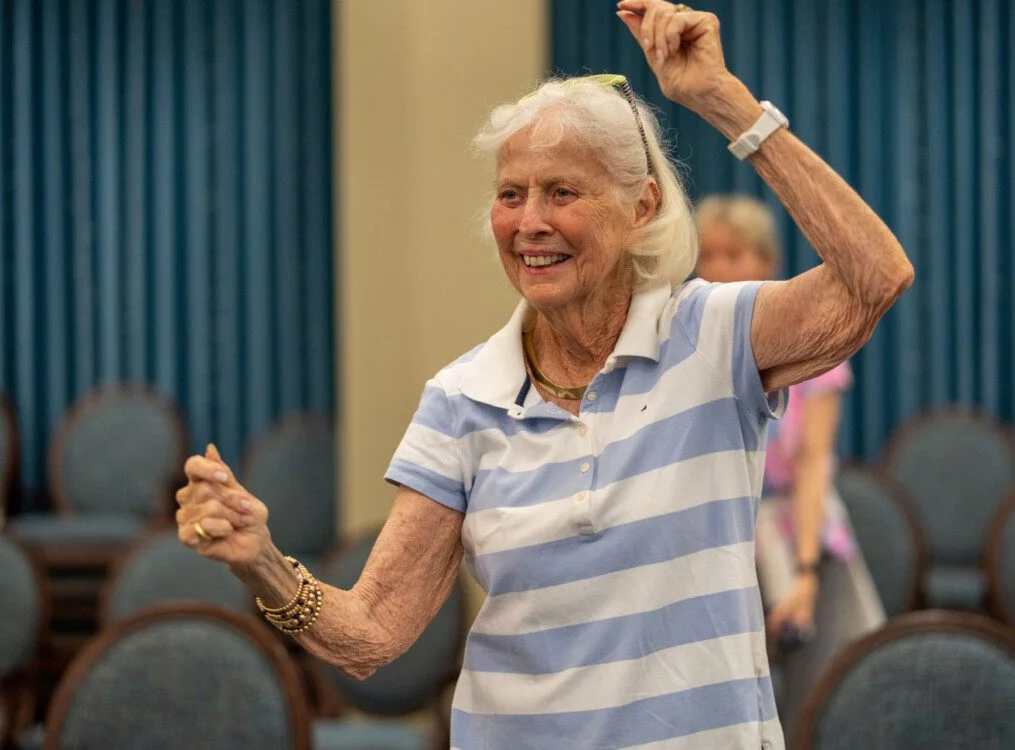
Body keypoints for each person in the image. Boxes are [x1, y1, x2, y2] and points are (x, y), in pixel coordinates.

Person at [174, 2, 913, 748]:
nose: (530, 221)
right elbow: (370, 636)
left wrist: (721, 99)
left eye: (562, 193)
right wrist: (262, 561)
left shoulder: (714, 334)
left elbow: (875, 277)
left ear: (639, 209)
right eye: (509, 195)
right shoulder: (459, 400)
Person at [696, 194, 887, 741]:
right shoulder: (690, 345)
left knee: (826, 689)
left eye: (734, 255)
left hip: (797, 530)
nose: (718, 269)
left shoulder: (815, 345)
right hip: (720, 533)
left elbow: (811, 470)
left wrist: (803, 576)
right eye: (708, 255)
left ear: (767, 263)